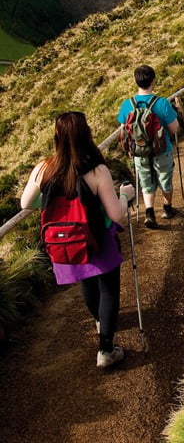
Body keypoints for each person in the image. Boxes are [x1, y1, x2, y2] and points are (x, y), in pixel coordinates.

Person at [21, 111, 136, 369]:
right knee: (108, 289)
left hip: (66, 241)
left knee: (87, 281)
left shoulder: (43, 168)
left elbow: (25, 203)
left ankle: (99, 322)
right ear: (87, 134)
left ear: (57, 137)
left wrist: (55, 205)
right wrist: (125, 196)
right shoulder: (96, 170)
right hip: (97, 238)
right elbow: (116, 214)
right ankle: (106, 349)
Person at [117, 64, 179, 229]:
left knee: (146, 182)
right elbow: (174, 129)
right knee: (165, 179)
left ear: (135, 81)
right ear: (153, 81)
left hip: (139, 152)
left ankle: (150, 213)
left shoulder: (127, 105)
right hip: (162, 150)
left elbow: (124, 131)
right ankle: (167, 208)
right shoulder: (162, 103)